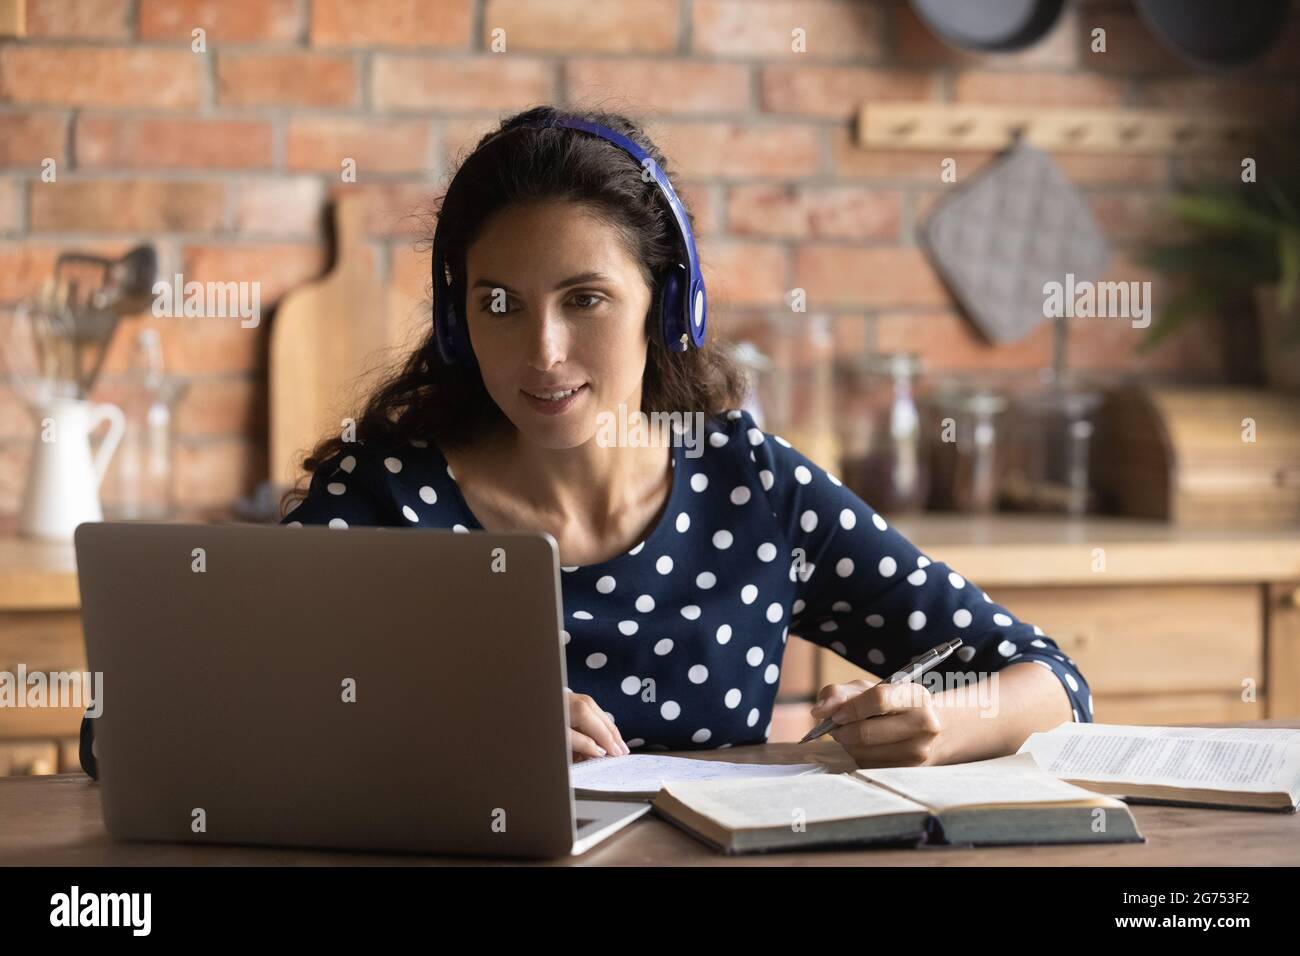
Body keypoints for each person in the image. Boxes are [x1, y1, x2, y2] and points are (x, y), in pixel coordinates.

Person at [79, 105, 1091, 780]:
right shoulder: (385, 496)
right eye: (500, 303)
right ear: (454, 318)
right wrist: (432, 729)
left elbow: (1052, 682)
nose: (544, 350)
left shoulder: (755, 489)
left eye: (586, 298)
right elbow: (128, 734)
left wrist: (938, 721)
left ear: (668, 307)